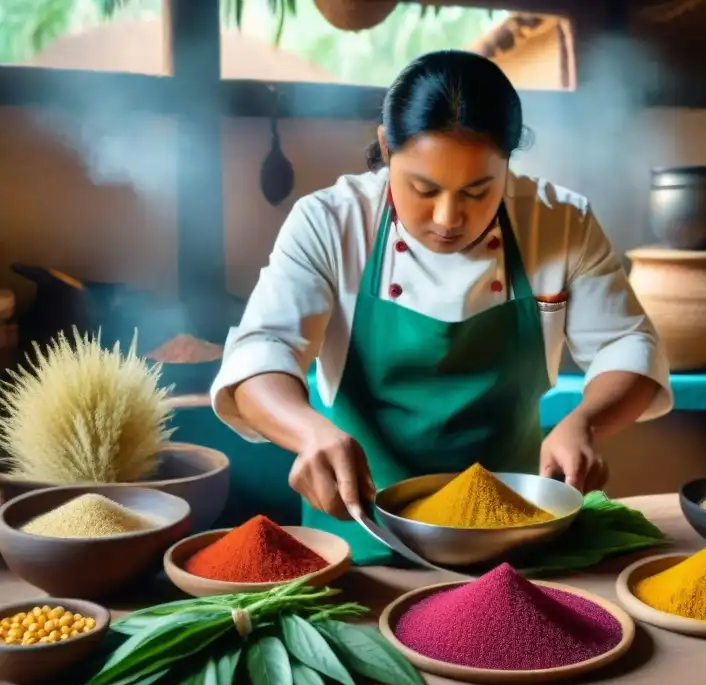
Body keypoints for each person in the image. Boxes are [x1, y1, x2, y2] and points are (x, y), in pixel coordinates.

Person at [210, 49, 672, 562]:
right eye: (423, 189)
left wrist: (586, 421)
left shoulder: (560, 222)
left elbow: (627, 345)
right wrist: (308, 431)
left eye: (479, 190)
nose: (449, 217)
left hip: (511, 532)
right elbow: (262, 350)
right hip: (361, 531)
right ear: (387, 148)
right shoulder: (329, 222)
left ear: (509, 160)